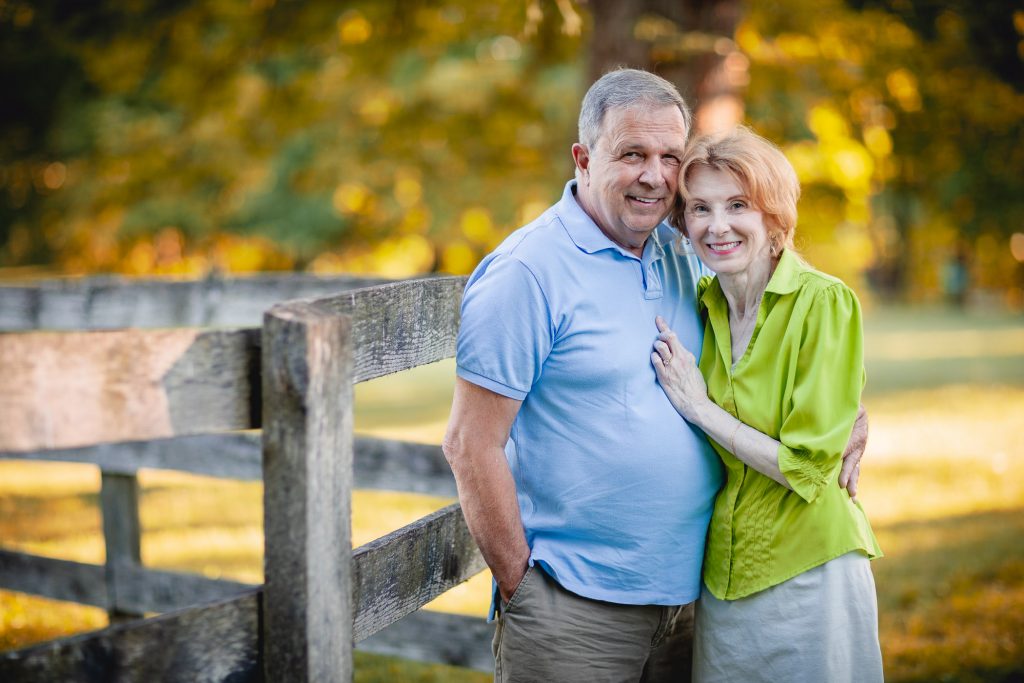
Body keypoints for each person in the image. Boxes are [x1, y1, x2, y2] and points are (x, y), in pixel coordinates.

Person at [443, 69, 866, 682]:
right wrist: (524, 589)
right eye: (633, 154)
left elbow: (782, 312)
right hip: (577, 607)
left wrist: (850, 404)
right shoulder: (527, 273)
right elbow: (468, 443)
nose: (656, 176)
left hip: (690, 599)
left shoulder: (680, 254)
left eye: (671, 156)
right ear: (584, 158)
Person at [650, 126, 883, 682]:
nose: (717, 225)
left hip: (810, 569)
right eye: (700, 208)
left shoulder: (823, 302)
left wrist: (701, 408)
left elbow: (807, 466)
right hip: (723, 577)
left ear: (774, 218)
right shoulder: (699, 304)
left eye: (738, 205)